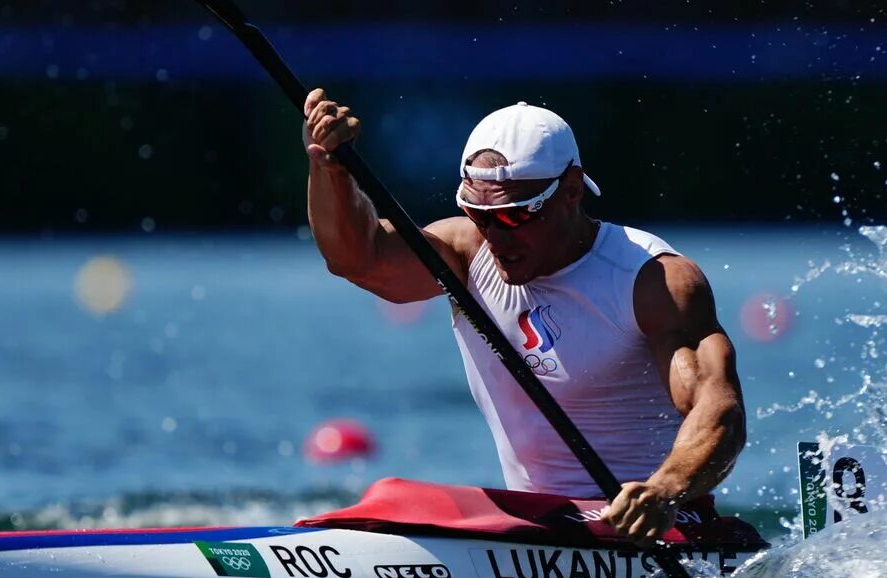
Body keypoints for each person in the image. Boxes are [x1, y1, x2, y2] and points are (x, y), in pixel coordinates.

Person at [301, 89, 746, 543]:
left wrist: (665, 489)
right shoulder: (463, 253)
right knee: (394, 495)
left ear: (571, 189)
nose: (495, 236)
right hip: (540, 520)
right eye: (478, 214)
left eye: (514, 216)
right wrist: (330, 170)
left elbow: (718, 409)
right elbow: (359, 258)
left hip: (656, 522)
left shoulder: (652, 281)